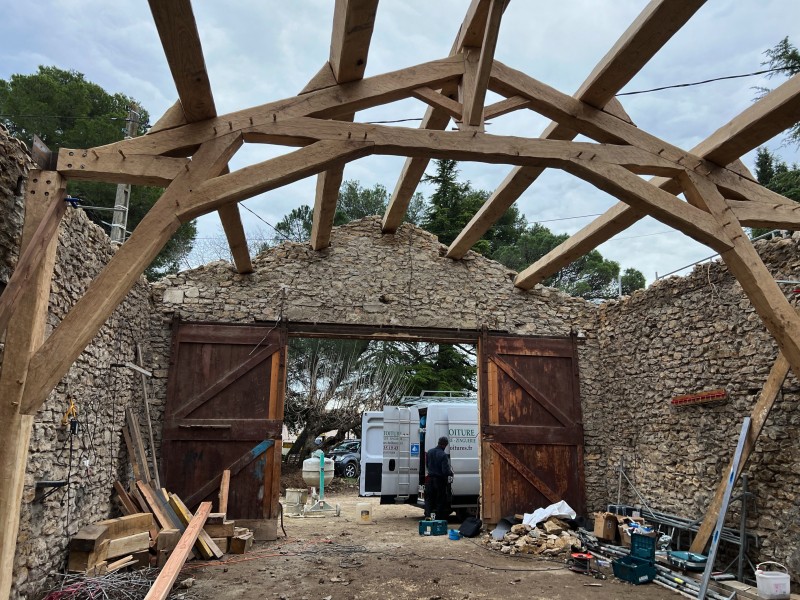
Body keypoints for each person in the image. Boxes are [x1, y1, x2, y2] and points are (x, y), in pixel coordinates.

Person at [424, 436, 454, 520]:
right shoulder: (443, 455)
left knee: (429, 499)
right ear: (445, 445)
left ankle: (427, 515)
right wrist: (451, 473)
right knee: (440, 500)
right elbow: (445, 471)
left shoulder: (429, 452)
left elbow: (427, 465)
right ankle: (438, 518)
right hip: (439, 480)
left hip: (430, 479)